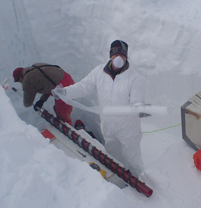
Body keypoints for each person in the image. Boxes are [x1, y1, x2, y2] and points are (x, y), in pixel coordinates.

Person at [52, 40, 146, 177]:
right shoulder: (99, 72)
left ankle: (140, 181)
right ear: (110, 55)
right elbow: (83, 86)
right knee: (114, 157)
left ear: (126, 56)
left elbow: (137, 101)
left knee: (133, 158)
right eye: (115, 54)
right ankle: (120, 179)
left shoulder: (134, 78)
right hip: (108, 126)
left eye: (122, 54)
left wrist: (139, 108)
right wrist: (65, 92)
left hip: (128, 128)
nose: (118, 58)